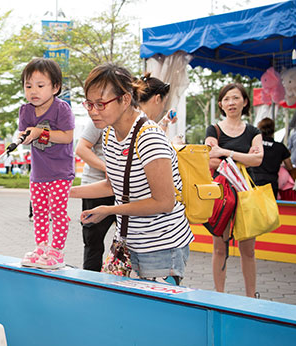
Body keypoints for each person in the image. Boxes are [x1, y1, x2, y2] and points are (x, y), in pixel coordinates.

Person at [69, 63, 193, 284]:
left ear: (125, 100)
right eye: (89, 103)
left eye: (100, 104)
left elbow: (164, 202)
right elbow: (112, 185)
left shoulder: (149, 138)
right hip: (126, 244)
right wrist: (66, 192)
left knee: (151, 316)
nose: (92, 111)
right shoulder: (108, 134)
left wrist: (109, 210)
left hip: (160, 248)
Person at [204, 83, 264, 298]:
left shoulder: (253, 131)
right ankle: (219, 296)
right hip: (222, 194)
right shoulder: (214, 130)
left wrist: (225, 152)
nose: (231, 103)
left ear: (245, 102)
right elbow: (210, 159)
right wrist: (242, 157)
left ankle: (251, 297)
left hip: (245, 192)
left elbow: (258, 159)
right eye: (227, 99)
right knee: (220, 247)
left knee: (248, 250)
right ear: (221, 104)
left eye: (236, 98)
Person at [18, 58, 75, 269]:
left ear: (55, 87)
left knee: (57, 213)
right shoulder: (25, 111)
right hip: (38, 173)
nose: (34, 91)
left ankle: (56, 252)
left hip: (60, 172)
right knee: (40, 212)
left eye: (40, 86)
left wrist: (40, 133)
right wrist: (24, 137)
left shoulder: (62, 109)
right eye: (28, 85)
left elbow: (67, 137)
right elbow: (25, 136)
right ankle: (41, 248)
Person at [74, 121, 115, 271]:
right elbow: (81, 148)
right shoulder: (100, 119)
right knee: (93, 241)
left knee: (128, 242)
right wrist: (106, 167)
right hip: (95, 187)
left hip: (123, 190)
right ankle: (91, 281)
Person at [249, 117, 292, 197]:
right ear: (273, 130)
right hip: (271, 183)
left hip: (253, 180)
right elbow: (289, 166)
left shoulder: (253, 145)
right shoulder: (280, 147)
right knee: (269, 208)